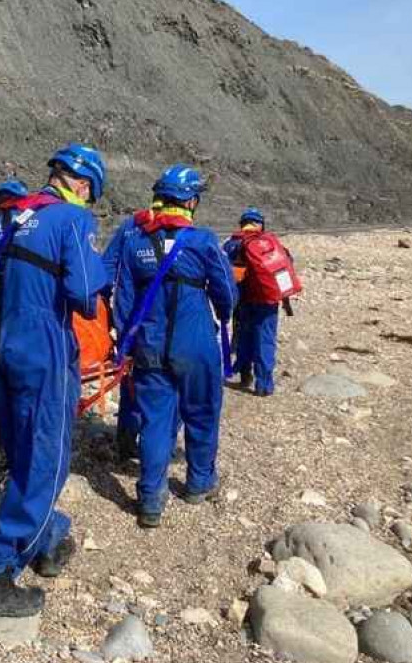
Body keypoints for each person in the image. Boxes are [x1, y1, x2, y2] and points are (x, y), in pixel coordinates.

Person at [0, 143, 108, 622]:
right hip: (42, 353)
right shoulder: (73, 220)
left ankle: (47, 538)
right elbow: (85, 293)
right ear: (83, 185)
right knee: (46, 462)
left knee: (20, 452)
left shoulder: (3, 221)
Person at [109, 165, 236, 528]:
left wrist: (126, 341)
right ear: (191, 201)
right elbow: (227, 293)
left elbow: (124, 302)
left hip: (149, 345)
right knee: (201, 413)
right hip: (195, 344)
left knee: (155, 422)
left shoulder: (135, 243)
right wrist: (223, 316)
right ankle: (198, 483)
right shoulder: (205, 241)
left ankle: (150, 501)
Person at [222, 207, 294, 396]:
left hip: (243, 301)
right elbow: (286, 265)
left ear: (242, 224)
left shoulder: (232, 244)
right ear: (261, 224)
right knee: (265, 340)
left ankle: (244, 376)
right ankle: (264, 385)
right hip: (268, 301)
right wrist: (284, 298)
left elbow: (222, 270)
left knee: (243, 337)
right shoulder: (271, 243)